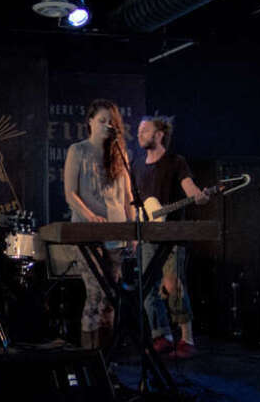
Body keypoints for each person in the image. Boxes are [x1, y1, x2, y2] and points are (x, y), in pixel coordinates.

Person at [132, 115, 208, 359]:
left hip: (172, 235)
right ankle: (161, 335)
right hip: (147, 234)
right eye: (139, 131)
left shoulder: (176, 162)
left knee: (172, 284)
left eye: (145, 131)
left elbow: (189, 188)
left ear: (159, 134)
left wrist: (199, 195)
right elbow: (135, 203)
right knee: (147, 289)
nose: (139, 135)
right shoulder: (137, 166)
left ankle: (187, 339)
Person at [63, 99, 135, 350]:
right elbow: (70, 194)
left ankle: (108, 359)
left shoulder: (120, 155)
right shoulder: (78, 151)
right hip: (87, 232)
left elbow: (128, 199)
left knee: (111, 297)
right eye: (102, 121)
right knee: (96, 292)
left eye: (111, 122)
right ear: (90, 122)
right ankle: (90, 357)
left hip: (116, 231)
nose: (106, 126)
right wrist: (90, 216)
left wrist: (133, 230)